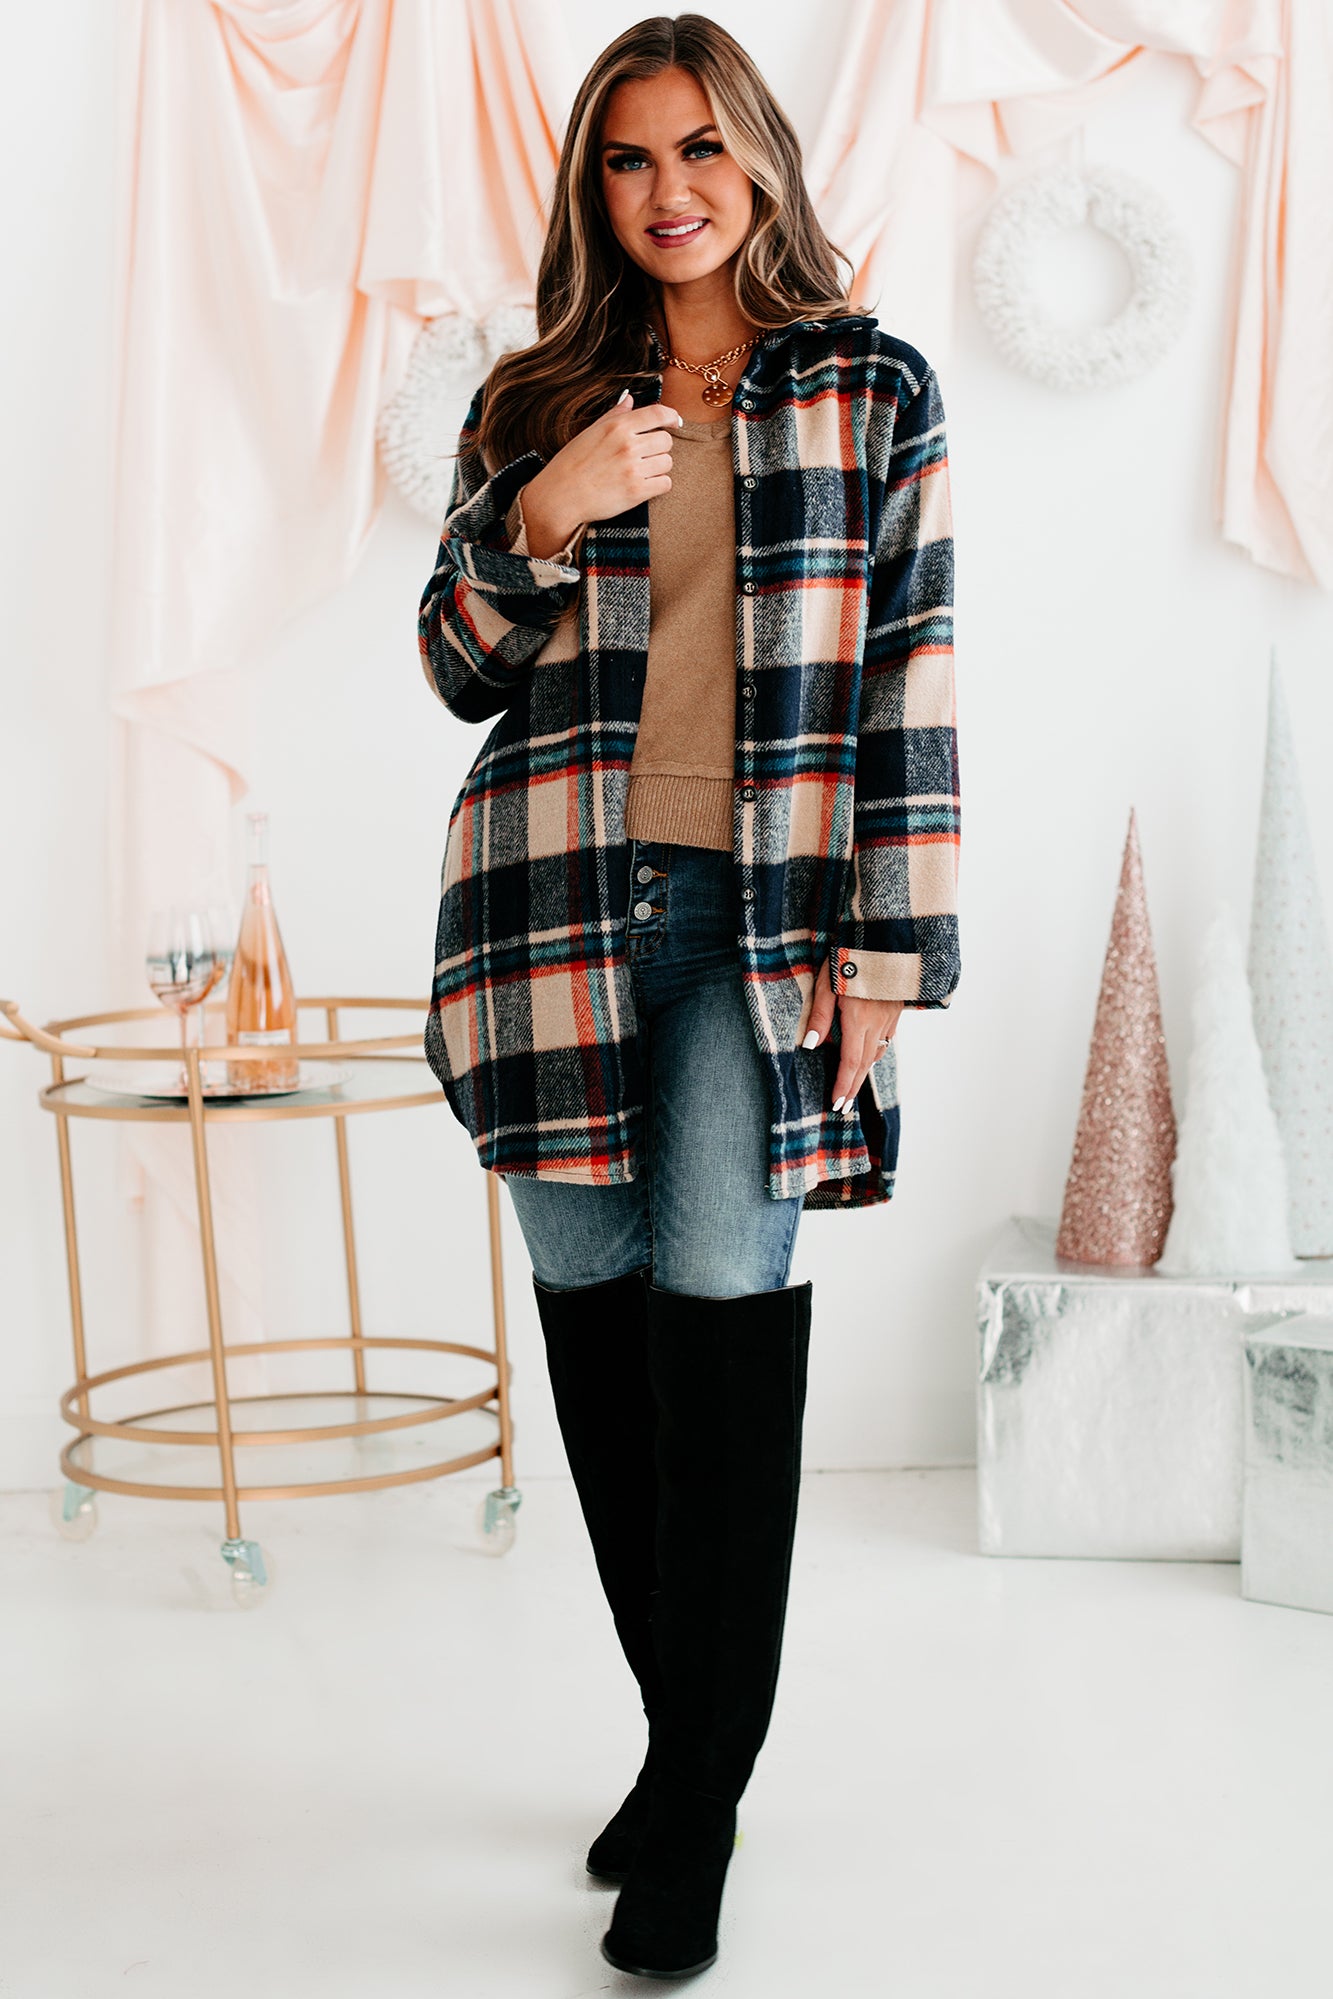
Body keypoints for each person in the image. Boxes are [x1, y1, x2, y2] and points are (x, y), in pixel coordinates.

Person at [417, 12, 959, 1981]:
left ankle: (696, 1802)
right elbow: (457, 669)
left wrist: (891, 944)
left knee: (723, 1333)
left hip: (763, 932)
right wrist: (542, 513)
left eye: (701, 148)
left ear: (759, 159)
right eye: (630, 157)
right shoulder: (538, 397)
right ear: (596, 185)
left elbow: (912, 668)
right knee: (599, 1342)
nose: (669, 191)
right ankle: (684, 1750)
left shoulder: (867, 386)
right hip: (548, 917)